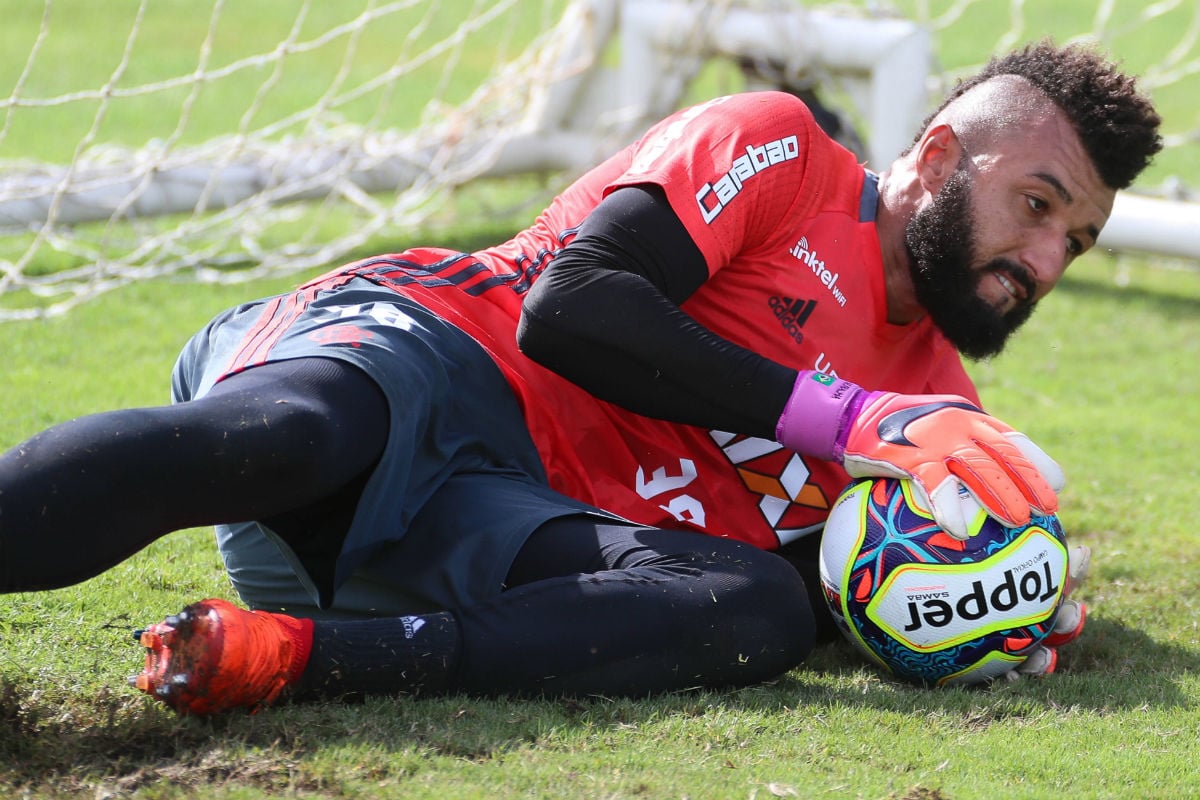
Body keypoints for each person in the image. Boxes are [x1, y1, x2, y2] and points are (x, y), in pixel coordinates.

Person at [0, 41, 1161, 715]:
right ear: (944, 156)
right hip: (435, 347)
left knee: (753, 609)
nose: (1048, 260)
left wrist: (985, 599)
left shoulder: (943, 415)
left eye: (1080, 240)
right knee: (291, 437)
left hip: (495, 521)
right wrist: (845, 414)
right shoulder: (788, 155)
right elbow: (576, 307)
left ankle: (285, 657)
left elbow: (822, 587)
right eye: (1039, 205)